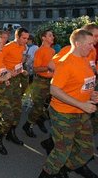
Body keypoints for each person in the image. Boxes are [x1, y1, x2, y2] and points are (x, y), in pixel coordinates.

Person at [39, 29, 98, 178]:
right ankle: (47, 174)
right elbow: (54, 89)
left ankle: (64, 168)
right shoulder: (66, 63)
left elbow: (83, 82)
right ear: (78, 44)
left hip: (81, 112)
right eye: (90, 44)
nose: (92, 47)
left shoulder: (84, 59)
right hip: (64, 113)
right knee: (62, 151)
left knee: (87, 149)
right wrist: (81, 104)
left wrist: (91, 93)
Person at [22, 30, 55, 138]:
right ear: (43, 38)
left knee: (52, 106)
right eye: (50, 35)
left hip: (50, 82)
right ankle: (28, 125)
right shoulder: (40, 51)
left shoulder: (52, 51)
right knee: (38, 107)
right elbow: (36, 69)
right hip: (40, 82)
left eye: (52, 35)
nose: (52, 37)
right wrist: (49, 68)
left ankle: (40, 119)